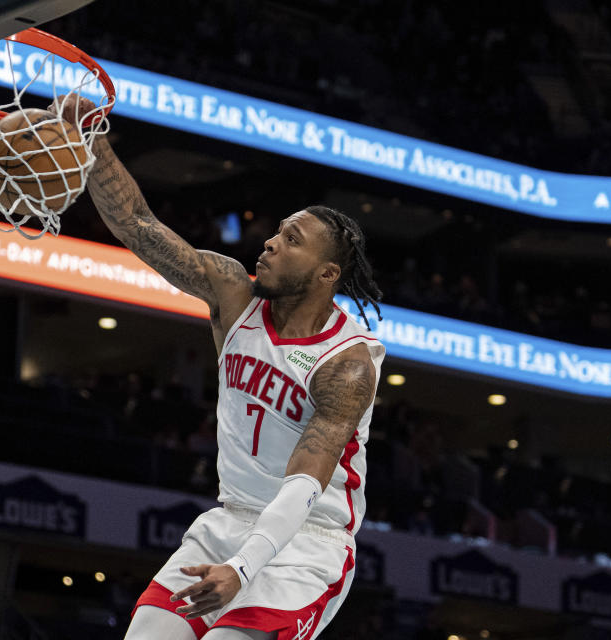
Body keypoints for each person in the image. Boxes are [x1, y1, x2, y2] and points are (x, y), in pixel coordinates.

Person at [56, 96, 385, 640]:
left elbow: (305, 484)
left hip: (307, 542)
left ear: (327, 273)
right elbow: (140, 226)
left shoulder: (347, 363)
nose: (271, 243)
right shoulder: (233, 295)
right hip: (228, 520)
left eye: (291, 241)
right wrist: (93, 143)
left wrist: (243, 568)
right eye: (277, 232)